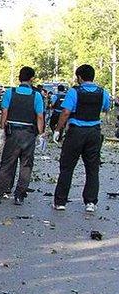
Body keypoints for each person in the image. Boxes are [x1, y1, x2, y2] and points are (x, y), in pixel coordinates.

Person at [52, 65, 111, 212]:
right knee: (92, 168)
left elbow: (66, 112)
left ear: (79, 77)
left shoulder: (74, 91)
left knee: (67, 167)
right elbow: (105, 108)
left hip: (76, 132)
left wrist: (58, 130)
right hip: (94, 132)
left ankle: (60, 202)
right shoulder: (103, 92)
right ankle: (90, 202)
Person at [0, 67, 45, 205]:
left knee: (7, 164)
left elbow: (4, 112)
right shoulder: (36, 96)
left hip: (13, 133)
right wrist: (41, 135)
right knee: (26, 165)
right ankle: (19, 195)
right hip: (29, 134)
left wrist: (2, 129)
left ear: (19, 78)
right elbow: (40, 116)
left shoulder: (10, 93)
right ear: (32, 79)